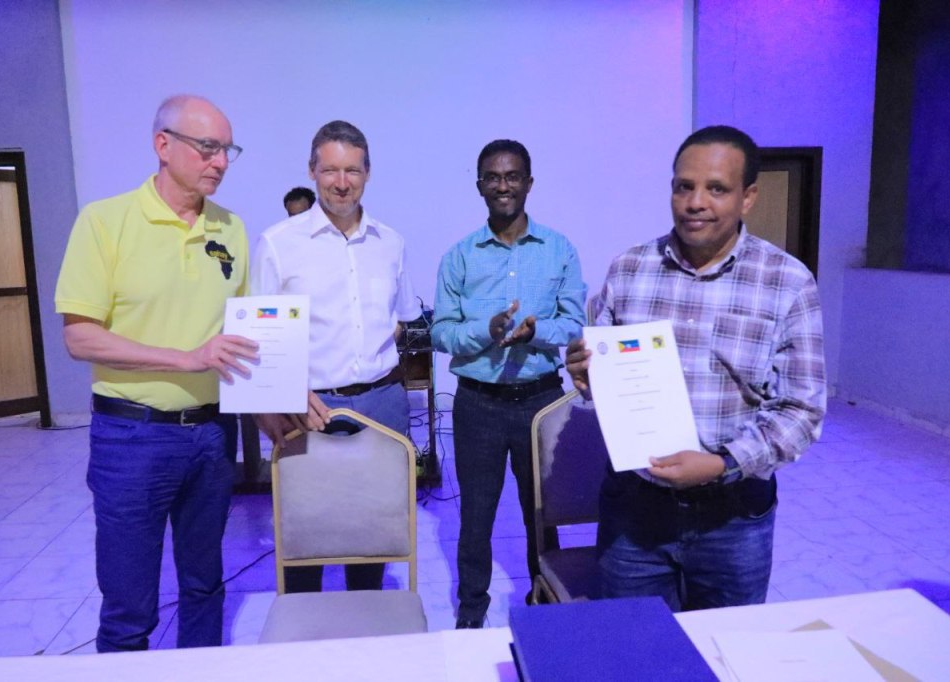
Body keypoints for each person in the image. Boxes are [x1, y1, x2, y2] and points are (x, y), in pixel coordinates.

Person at [566, 125, 826, 612]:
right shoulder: (629, 269)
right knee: (636, 644)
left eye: (716, 189)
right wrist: (585, 373)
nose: (695, 202)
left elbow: (801, 411)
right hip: (634, 511)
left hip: (734, 517)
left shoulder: (788, 282)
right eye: (683, 186)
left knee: (725, 645)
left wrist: (723, 465)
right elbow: (599, 378)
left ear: (748, 197)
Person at [55, 95, 257, 651]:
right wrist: (186, 358)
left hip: (212, 435)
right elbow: (79, 336)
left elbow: (244, 333)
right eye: (208, 147)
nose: (220, 161)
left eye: (228, 149)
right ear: (162, 144)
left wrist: (276, 405)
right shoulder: (105, 221)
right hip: (132, 437)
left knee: (205, 585)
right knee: (129, 604)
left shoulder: (231, 228)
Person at [252, 120, 420, 592]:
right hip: (309, 409)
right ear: (312, 171)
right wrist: (280, 397)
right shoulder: (278, 244)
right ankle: (306, 631)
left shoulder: (391, 243)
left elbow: (403, 318)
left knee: (374, 537)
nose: (341, 182)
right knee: (306, 540)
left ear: (368, 173)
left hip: (382, 405)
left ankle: (367, 625)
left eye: (352, 171)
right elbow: (258, 339)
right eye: (330, 170)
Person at [431, 139, 586, 628]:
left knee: (542, 513)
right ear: (480, 186)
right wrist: (487, 330)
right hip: (477, 405)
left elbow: (575, 324)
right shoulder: (459, 257)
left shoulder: (559, 249)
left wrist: (536, 331)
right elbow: (441, 332)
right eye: (493, 177)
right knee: (475, 517)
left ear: (529, 183)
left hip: (542, 402)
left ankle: (547, 608)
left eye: (513, 176)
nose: (503, 186)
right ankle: (470, 613)